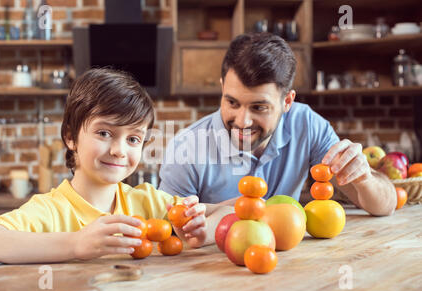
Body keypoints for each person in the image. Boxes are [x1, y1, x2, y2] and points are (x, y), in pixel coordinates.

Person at [0, 68, 232, 265]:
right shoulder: (50, 211)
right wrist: (75, 244)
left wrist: (200, 229)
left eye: (133, 139)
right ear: (70, 136)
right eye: (104, 133)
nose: (119, 150)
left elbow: (231, 211)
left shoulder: (148, 201)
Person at [159, 32, 396, 216]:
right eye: (232, 102)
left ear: (287, 101)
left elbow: (385, 205)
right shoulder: (187, 146)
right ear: (222, 88)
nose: (242, 121)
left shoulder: (308, 125)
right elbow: (164, 229)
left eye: (259, 107)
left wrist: (364, 179)